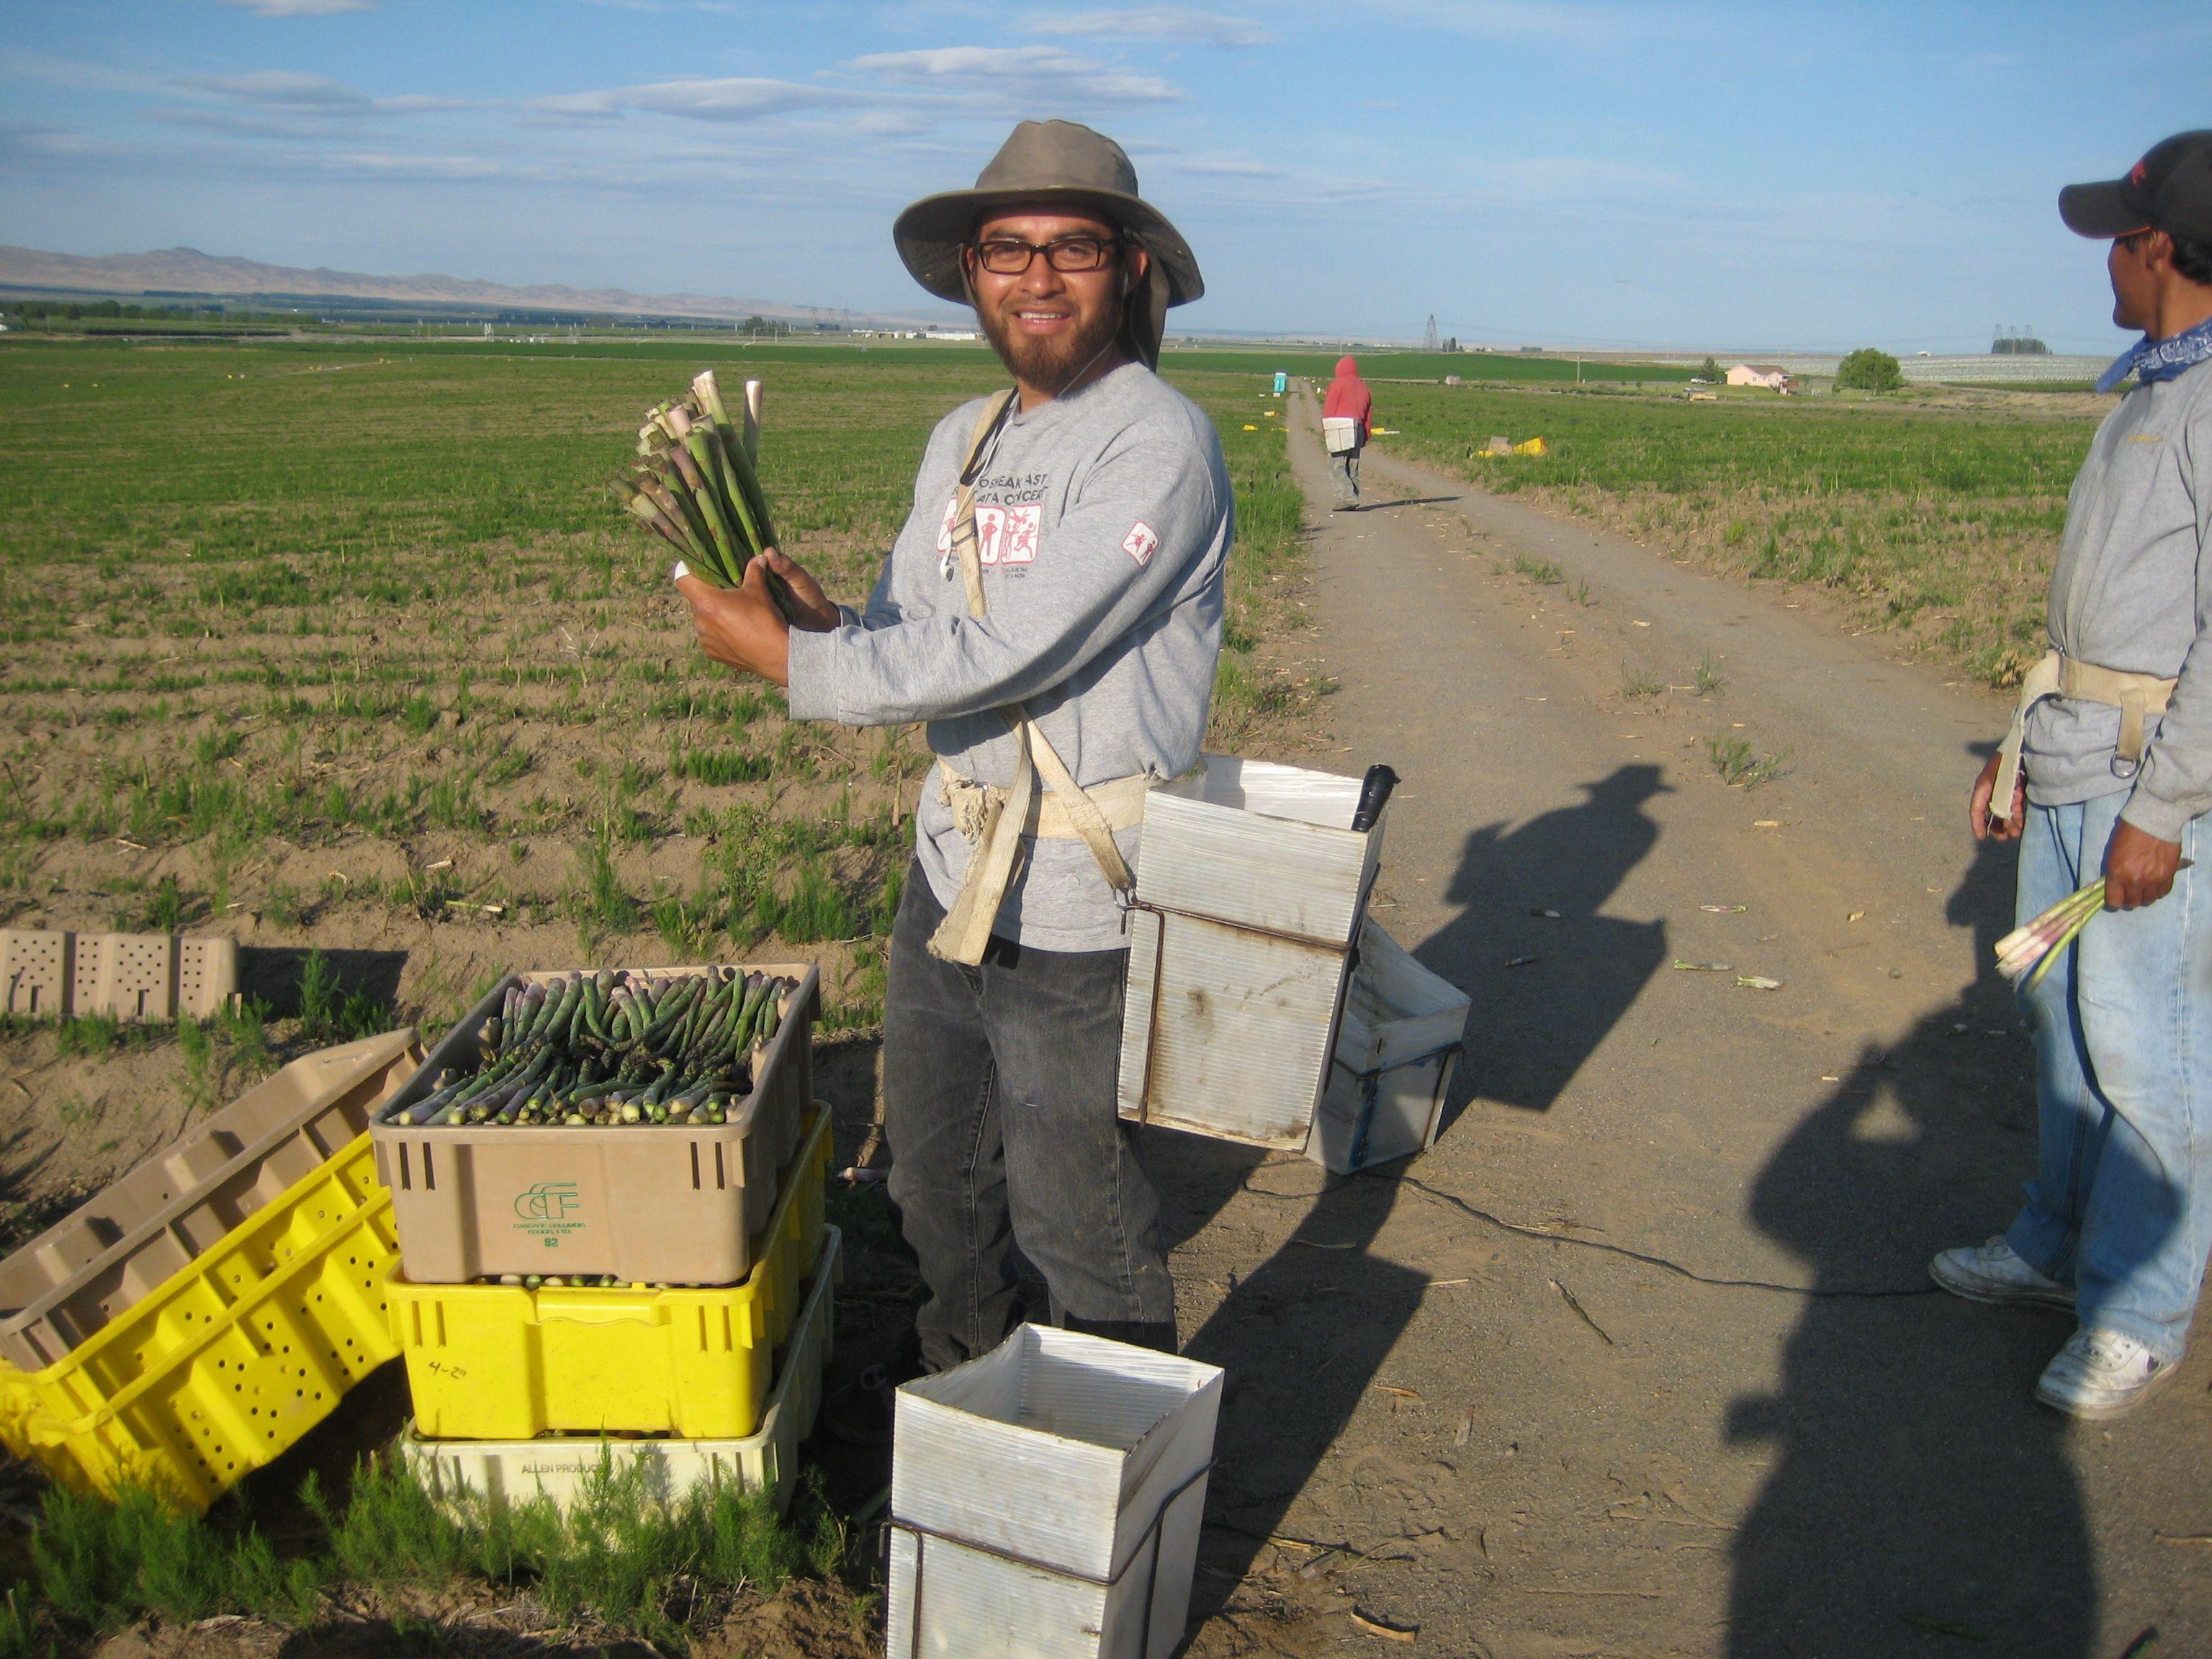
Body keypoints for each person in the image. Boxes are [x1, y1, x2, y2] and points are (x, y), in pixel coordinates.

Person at [676, 120, 1231, 1426]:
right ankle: (964, 1394)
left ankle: (1109, 1455)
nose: (1037, 276)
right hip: (952, 870)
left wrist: (792, 673)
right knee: (934, 1176)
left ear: (1131, 270)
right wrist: (829, 629)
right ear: (971, 273)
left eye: (1073, 247)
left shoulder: (1158, 441)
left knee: (1074, 1206)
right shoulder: (964, 438)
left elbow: (1016, 644)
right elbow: (923, 634)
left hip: (1081, 897)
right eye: (1006, 249)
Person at [1939, 129, 2212, 1420]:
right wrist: (2021, 735)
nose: (2103, 252)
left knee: (2144, 1049)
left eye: (2116, 231)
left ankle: (2141, 1311)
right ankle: (2053, 1247)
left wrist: (2162, 811)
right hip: (2069, 758)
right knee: (2055, 1019)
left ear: (2156, 246)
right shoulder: (2149, 387)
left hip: (2147, 783)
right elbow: (2098, 617)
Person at [1322, 354, 1373, 508]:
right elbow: (1368, 414)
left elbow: (1329, 408)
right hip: (1358, 428)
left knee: (1337, 465)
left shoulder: (1338, 384)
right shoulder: (1364, 387)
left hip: (1340, 427)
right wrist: (1366, 433)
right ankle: (1352, 497)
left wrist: (1326, 428)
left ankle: (1347, 498)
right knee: (1353, 465)